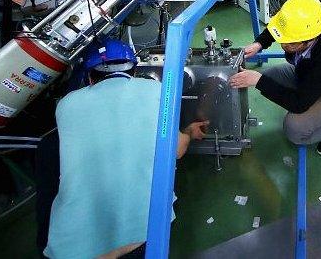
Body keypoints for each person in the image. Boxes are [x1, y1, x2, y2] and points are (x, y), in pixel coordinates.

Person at [36, 37, 208, 259]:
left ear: (89, 77)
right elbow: (176, 151)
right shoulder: (156, 90)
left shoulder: (66, 105)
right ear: (134, 71)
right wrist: (188, 133)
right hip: (144, 234)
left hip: (74, 246)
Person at [229, 0, 321, 155]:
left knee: (294, 129)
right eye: (283, 40)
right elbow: (279, 30)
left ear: (310, 40)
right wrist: (259, 43)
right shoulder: (307, 28)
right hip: (309, 77)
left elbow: (299, 104)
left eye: (290, 43)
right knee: (270, 76)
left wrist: (258, 81)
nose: (284, 45)